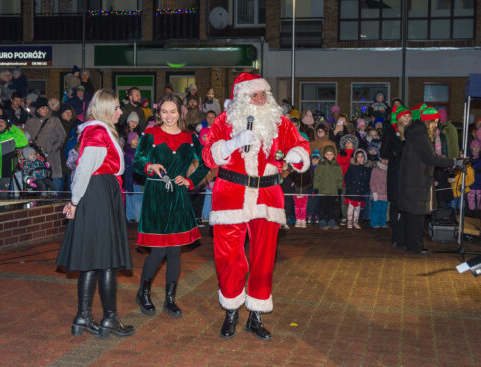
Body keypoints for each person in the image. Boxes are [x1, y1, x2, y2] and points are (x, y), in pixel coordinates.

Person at [202, 73, 310, 340]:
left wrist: (297, 155)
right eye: (254, 95)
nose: (260, 99)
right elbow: (207, 155)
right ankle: (231, 310)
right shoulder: (224, 122)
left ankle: (256, 315)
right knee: (228, 258)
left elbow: (300, 144)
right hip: (231, 195)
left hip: (267, 197)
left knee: (264, 259)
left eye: (263, 94)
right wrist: (231, 144)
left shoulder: (279, 122)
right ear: (241, 97)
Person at [56, 89, 135, 338]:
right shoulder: (98, 132)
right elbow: (83, 169)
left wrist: (77, 200)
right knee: (106, 260)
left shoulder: (98, 130)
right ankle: (108, 319)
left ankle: (84, 317)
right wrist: (75, 201)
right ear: (104, 109)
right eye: (117, 108)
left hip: (101, 192)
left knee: (93, 260)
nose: (120, 112)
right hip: (98, 193)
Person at [133, 94, 209, 319]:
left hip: (178, 196)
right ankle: (143, 293)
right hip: (156, 196)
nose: (168, 116)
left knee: (175, 251)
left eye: (173, 111)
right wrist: (149, 166)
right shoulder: (150, 134)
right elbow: (137, 162)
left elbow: (206, 163)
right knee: (158, 251)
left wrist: (190, 181)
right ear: (159, 114)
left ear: (180, 112)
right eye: (164, 112)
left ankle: (170, 299)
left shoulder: (190, 136)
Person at [396, 107, 458, 254]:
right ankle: (414, 246)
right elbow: (431, 157)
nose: (436, 125)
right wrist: (452, 162)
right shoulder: (420, 136)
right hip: (416, 181)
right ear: (427, 121)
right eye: (434, 122)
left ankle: (403, 242)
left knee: (409, 215)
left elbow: (429, 156)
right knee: (416, 216)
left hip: (413, 180)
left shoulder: (417, 134)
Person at [380, 105, 412, 247]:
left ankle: (404, 234)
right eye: (405, 116)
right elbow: (385, 151)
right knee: (395, 203)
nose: (407, 118)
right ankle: (395, 234)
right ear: (399, 118)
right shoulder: (391, 131)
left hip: (409, 172)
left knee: (406, 204)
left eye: (409, 116)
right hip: (395, 171)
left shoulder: (413, 132)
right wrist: (397, 150)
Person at [25, 97, 66, 193]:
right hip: (35, 159)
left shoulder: (54, 120)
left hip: (51, 157)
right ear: (37, 109)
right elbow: (25, 139)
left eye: (47, 108)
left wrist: (52, 148)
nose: (46, 110)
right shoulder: (30, 122)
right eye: (43, 108)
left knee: (54, 186)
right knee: (38, 188)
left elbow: (62, 136)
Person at [314, 145, 343, 230]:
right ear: (324, 155)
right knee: (322, 206)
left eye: (331, 154)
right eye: (327, 154)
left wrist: (339, 188)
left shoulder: (337, 166)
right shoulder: (321, 165)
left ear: (334, 155)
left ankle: (331, 220)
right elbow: (317, 177)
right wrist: (316, 188)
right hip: (323, 190)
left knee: (332, 207)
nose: (329, 156)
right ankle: (322, 220)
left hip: (333, 190)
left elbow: (340, 178)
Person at [344, 149, 371, 229]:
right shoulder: (352, 167)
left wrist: (365, 188)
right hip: (352, 190)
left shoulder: (367, 168)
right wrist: (350, 186)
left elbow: (368, 180)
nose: (360, 158)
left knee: (358, 207)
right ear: (356, 158)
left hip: (361, 190)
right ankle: (349, 220)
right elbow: (346, 177)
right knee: (351, 206)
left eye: (362, 157)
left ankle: (355, 221)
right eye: (358, 157)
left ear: (364, 157)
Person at [370, 157, 389, 228]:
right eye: (384, 159)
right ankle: (374, 223)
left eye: (386, 159)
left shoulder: (388, 170)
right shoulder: (375, 169)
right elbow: (372, 182)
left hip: (385, 194)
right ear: (380, 159)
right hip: (377, 194)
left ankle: (382, 223)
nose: (385, 161)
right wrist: (374, 192)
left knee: (383, 210)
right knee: (376, 209)